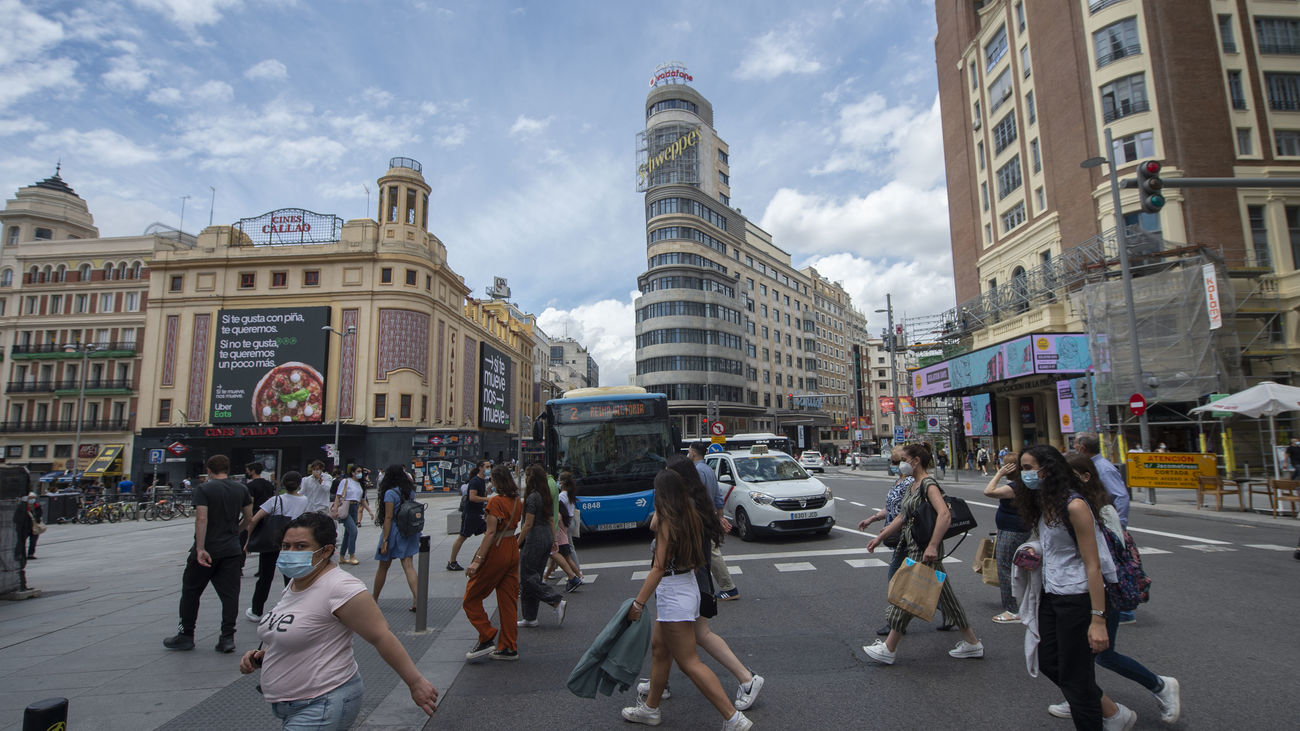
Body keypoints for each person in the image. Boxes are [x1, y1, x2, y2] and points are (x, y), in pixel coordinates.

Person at [238, 513, 437, 728]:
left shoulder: (341, 587)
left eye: (301, 546)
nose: (290, 552)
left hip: (322, 703)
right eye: (286, 546)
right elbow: (301, 629)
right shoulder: (297, 582)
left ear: (326, 551)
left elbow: (381, 636)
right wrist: (265, 655)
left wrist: (415, 682)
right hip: (291, 704)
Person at [1014, 445, 1134, 730]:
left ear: (1047, 469)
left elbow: (1094, 564)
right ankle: (1111, 711)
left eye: (1028, 468)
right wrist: (1033, 549)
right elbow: (1055, 546)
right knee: (1048, 661)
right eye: (1022, 468)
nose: (1024, 474)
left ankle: (1105, 718)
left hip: (1078, 597)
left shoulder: (1074, 505)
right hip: (1052, 593)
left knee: (1076, 678)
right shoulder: (1045, 503)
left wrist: (1098, 620)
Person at [621, 470, 752, 730]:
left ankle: (733, 718)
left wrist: (638, 603)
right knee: (660, 649)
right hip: (686, 586)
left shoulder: (669, 521)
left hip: (673, 594)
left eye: (657, 492)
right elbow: (655, 527)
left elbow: (658, 567)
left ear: (662, 495)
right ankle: (650, 709)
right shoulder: (689, 515)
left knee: (690, 663)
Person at [1058, 454, 1182, 724]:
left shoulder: (1099, 510)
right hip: (1086, 589)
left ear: (1085, 477)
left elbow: (1108, 558)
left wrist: (1099, 611)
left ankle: (1160, 685)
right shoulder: (1075, 505)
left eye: (1068, 475)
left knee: (1102, 654)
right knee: (1083, 652)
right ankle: (1080, 696)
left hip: (1103, 590)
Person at [864, 443, 984, 665]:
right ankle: (972, 643)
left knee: (909, 596)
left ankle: (889, 648)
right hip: (915, 546)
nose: (901, 464)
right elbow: (902, 516)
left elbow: (944, 515)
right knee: (947, 599)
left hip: (924, 548)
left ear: (916, 461)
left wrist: (933, 546)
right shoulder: (913, 485)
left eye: (904, 459)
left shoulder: (928, 484)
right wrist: (881, 537)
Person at [164, 454, 253, 653]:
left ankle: (186, 635)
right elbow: (249, 518)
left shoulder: (204, 489)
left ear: (209, 470)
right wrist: (235, 532)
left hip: (209, 549)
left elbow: (201, 519)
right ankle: (227, 637)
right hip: (231, 550)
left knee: (191, 591)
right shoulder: (241, 489)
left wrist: (200, 548)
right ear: (227, 469)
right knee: (230, 595)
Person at [463, 465, 523, 661]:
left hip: (498, 548)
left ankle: (487, 635)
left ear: (496, 481)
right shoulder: (517, 501)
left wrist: (477, 561)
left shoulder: (495, 501)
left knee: (471, 596)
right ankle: (509, 646)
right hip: (512, 546)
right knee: (508, 601)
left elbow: (490, 533)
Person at [860, 446, 918, 636]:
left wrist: (882, 535)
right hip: (898, 535)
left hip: (907, 536)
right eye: (892, 462)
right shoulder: (899, 480)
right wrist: (873, 519)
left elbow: (904, 513)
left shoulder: (910, 482)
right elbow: (892, 507)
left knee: (895, 580)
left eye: (896, 462)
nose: (894, 465)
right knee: (925, 580)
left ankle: (895, 622)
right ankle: (950, 613)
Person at [244, 471, 308, 622]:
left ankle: (256, 611)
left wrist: (247, 540)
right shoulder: (304, 500)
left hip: (272, 542)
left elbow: (253, 520)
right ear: (299, 484)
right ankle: (291, 609)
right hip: (293, 543)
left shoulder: (275, 500)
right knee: (291, 578)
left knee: (265, 577)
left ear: (283, 484)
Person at [516, 465, 567, 629]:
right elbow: (551, 519)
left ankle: (555, 600)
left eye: (527, 475)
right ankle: (530, 617)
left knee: (527, 577)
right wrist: (554, 540)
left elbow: (528, 523)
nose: (525, 478)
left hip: (535, 538)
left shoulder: (532, 497)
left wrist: (517, 543)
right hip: (546, 536)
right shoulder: (545, 496)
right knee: (535, 575)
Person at [689, 441, 739, 601]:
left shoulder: (697, 471)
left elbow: (697, 497)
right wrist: (719, 516)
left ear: (693, 453)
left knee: (711, 551)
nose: (688, 454)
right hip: (709, 515)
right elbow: (717, 495)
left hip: (701, 516)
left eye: (689, 451)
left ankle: (729, 588)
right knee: (708, 551)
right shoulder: (708, 470)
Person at [985, 454, 1031, 623]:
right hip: (1011, 529)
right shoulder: (1021, 484)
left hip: (1013, 530)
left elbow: (988, 491)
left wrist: (998, 474)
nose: (1002, 467)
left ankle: (1012, 609)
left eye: (1005, 465)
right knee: (1017, 567)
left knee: (1004, 568)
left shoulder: (1015, 486)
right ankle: (1025, 604)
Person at [373, 465, 422, 612]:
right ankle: (417, 599)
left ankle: (374, 599)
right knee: (408, 565)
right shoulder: (409, 491)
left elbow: (388, 517)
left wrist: (385, 540)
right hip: (408, 530)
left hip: (394, 531)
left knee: (383, 566)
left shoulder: (390, 493)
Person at [448, 460, 490, 571]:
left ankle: (486, 558)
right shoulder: (475, 481)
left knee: (489, 534)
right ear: (480, 468)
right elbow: (472, 497)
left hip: (479, 514)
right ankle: (452, 561)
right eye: (487, 467)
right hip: (471, 514)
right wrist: (487, 499)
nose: (489, 469)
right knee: (462, 537)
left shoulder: (482, 480)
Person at [331, 466, 370, 565]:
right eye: (358, 471)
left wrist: (370, 511)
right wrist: (335, 509)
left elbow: (363, 500)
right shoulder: (346, 481)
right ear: (352, 472)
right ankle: (352, 555)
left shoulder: (361, 484)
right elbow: (338, 496)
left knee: (348, 533)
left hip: (355, 508)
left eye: (361, 471)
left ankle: (342, 556)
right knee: (353, 531)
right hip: (345, 507)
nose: (360, 473)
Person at [20, 492, 42, 559]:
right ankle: (21, 554)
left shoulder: (37, 506)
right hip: (24, 527)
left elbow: (39, 515)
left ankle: (30, 554)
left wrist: (36, 519)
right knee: (21, 541)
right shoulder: (23, 507)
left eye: (33, 498)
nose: (32, 500)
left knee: (33, 541)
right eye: (31, 498)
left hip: (34, 526)